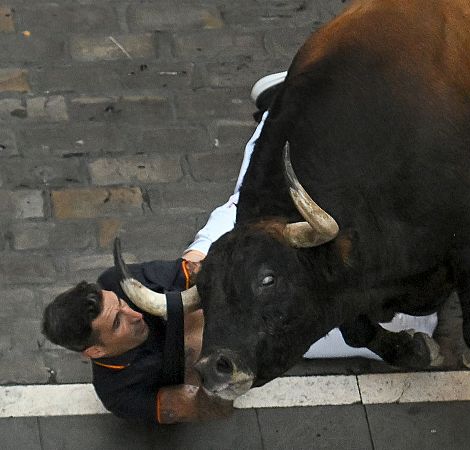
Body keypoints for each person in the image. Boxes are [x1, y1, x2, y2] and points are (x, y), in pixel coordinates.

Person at [41, 72, 438, 424]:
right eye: (116, 323)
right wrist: (211, 383)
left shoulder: (121, 283)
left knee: (247, 206)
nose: (131, 312)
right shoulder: (121, 394)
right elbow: (204, 408)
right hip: (252, 338)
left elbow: (198, 272)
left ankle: (277, 107)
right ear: (94, 352)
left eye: (119, 304)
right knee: (420, 322)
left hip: (224, 269)